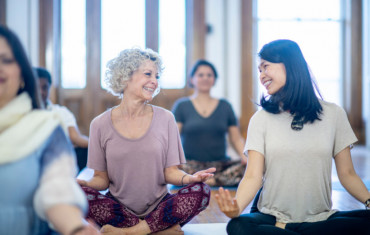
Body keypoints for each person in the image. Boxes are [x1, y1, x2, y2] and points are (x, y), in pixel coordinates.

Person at [215, 39, 370, 234]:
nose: (261, 75)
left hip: (320, 219)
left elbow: (347, 174)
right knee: (238, 226)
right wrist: (236, 207)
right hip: (272, 219)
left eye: (265, 67)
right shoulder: (261, 119)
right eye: (259, 70)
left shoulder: (334, 114)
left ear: (289, 65)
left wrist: (369, 201)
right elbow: (253, 176)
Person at [77, 48, 216, 235]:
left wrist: (192, 179)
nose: (155, 81)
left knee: (202, 190)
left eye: (157, 76)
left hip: (160, 207)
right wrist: (83, 184)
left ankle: (131, 232)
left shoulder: (166, 118)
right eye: (148, 74)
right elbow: (101, 180)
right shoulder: (99, 124)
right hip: (118, 209)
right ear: (125, 77)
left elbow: (171, 173)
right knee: (77, 195)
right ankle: (160, 230)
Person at [0, 25, 99, 234]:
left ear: (22, 75)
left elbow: (56, 191)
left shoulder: (45, 127)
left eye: (6, 60)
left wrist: (75, 228)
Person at [172, 59, 246, 187]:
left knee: (247, 168)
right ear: (192, 79)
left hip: (219, 167)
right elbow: (173, 137)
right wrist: (173, 160)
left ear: (214, 79)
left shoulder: (225, 106)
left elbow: (235, 139)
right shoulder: (182, 106)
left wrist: (245, 157)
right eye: (200, 75)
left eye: (209, 75)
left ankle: (208, 180)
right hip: (189, 166)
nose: (205, 78)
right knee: (172, 170)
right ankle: (204, 179)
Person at [35, 67, 89, 172]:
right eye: (37, 88)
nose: (41, 92)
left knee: (86, 151)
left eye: (45, 88)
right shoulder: (22, 112)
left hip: (61, 156)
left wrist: (101, 146)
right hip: (36, 157)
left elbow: (76, 137)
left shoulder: (61, 112)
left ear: (49, 88)